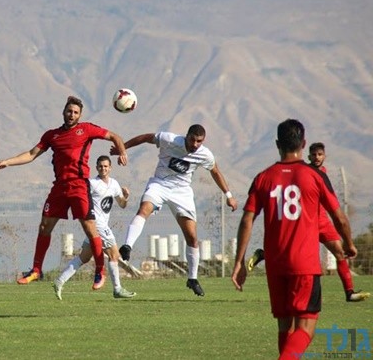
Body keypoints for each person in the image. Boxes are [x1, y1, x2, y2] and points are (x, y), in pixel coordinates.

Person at [231, 119, 358, 359]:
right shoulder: (314, 175)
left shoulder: (263, 178)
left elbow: (247, 220)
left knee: (284, 326)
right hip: (304, 265)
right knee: (306, 328)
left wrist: (239, 262)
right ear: (304, 143)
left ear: (277, 144)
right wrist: (349, 244)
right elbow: (339, 218)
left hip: (275, 265)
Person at [0, 96, 128, 289]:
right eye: (69, 111)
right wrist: (7, 162)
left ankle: (100, 270)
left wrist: (122, 152)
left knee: (90, 227)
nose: (72, 115)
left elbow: (115, 136)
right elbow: (31, 154)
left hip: (79, 186)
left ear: (80, 115)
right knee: (44, 226)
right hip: (59, 188)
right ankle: (36, 270)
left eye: (75, 112)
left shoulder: (86, 129)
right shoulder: (52, 135)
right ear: (63, 112)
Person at [112, 124, 238, 296]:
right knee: (144, 209)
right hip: (160, 184)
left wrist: (229, 195)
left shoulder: (204, 154)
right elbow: (146, 137)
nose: (195, 144)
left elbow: (215, 171)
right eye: (192, 140)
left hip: (182, 192)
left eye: (199, 141)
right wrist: (122, 148)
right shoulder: (169, 140)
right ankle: (127, 246)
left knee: (192, 237)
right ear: (187, 136)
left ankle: (192, 279)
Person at [246, 142, 369, 302]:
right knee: (291, 254)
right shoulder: (304, 172)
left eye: (320, 154)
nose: (317, 157)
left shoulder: (322, 173)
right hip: (305, 222)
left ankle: (349, 292)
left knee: (339, 252)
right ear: (308, 155)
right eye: (314, 154)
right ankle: (264, 254)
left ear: (324, 156)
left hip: (322, 222)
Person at [53, 155, 137, 300]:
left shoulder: (114, 184)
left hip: (98, 226)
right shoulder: (92, 183)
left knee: (84, 257)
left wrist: (126, 197)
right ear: (96, 167)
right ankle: (117, 289)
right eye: (100, 166)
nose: (103, 168)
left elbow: (122, 204)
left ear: (110, 168)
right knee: (114, 255)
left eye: (106, 166)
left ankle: (59, 281)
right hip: (97, 224)